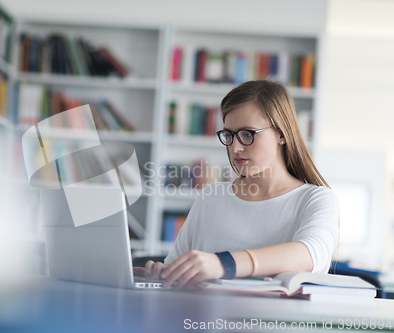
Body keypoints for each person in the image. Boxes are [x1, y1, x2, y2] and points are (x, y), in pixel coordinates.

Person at [144, 80, 340, 290]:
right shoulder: (212, 196)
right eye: (229, 135)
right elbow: (176, 270)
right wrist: (163, 273)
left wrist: (223, 264)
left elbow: (309, 253)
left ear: (282, 134)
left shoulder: (315, 199)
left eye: (248, 134)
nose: (235, 147)